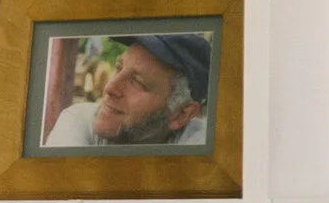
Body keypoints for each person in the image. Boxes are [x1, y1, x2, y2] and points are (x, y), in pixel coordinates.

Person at [44, 33, 209, 148]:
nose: (110, 88)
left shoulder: (205, 144)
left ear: (182, 114)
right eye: (118, 67)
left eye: (136, 82)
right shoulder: (78, 121)